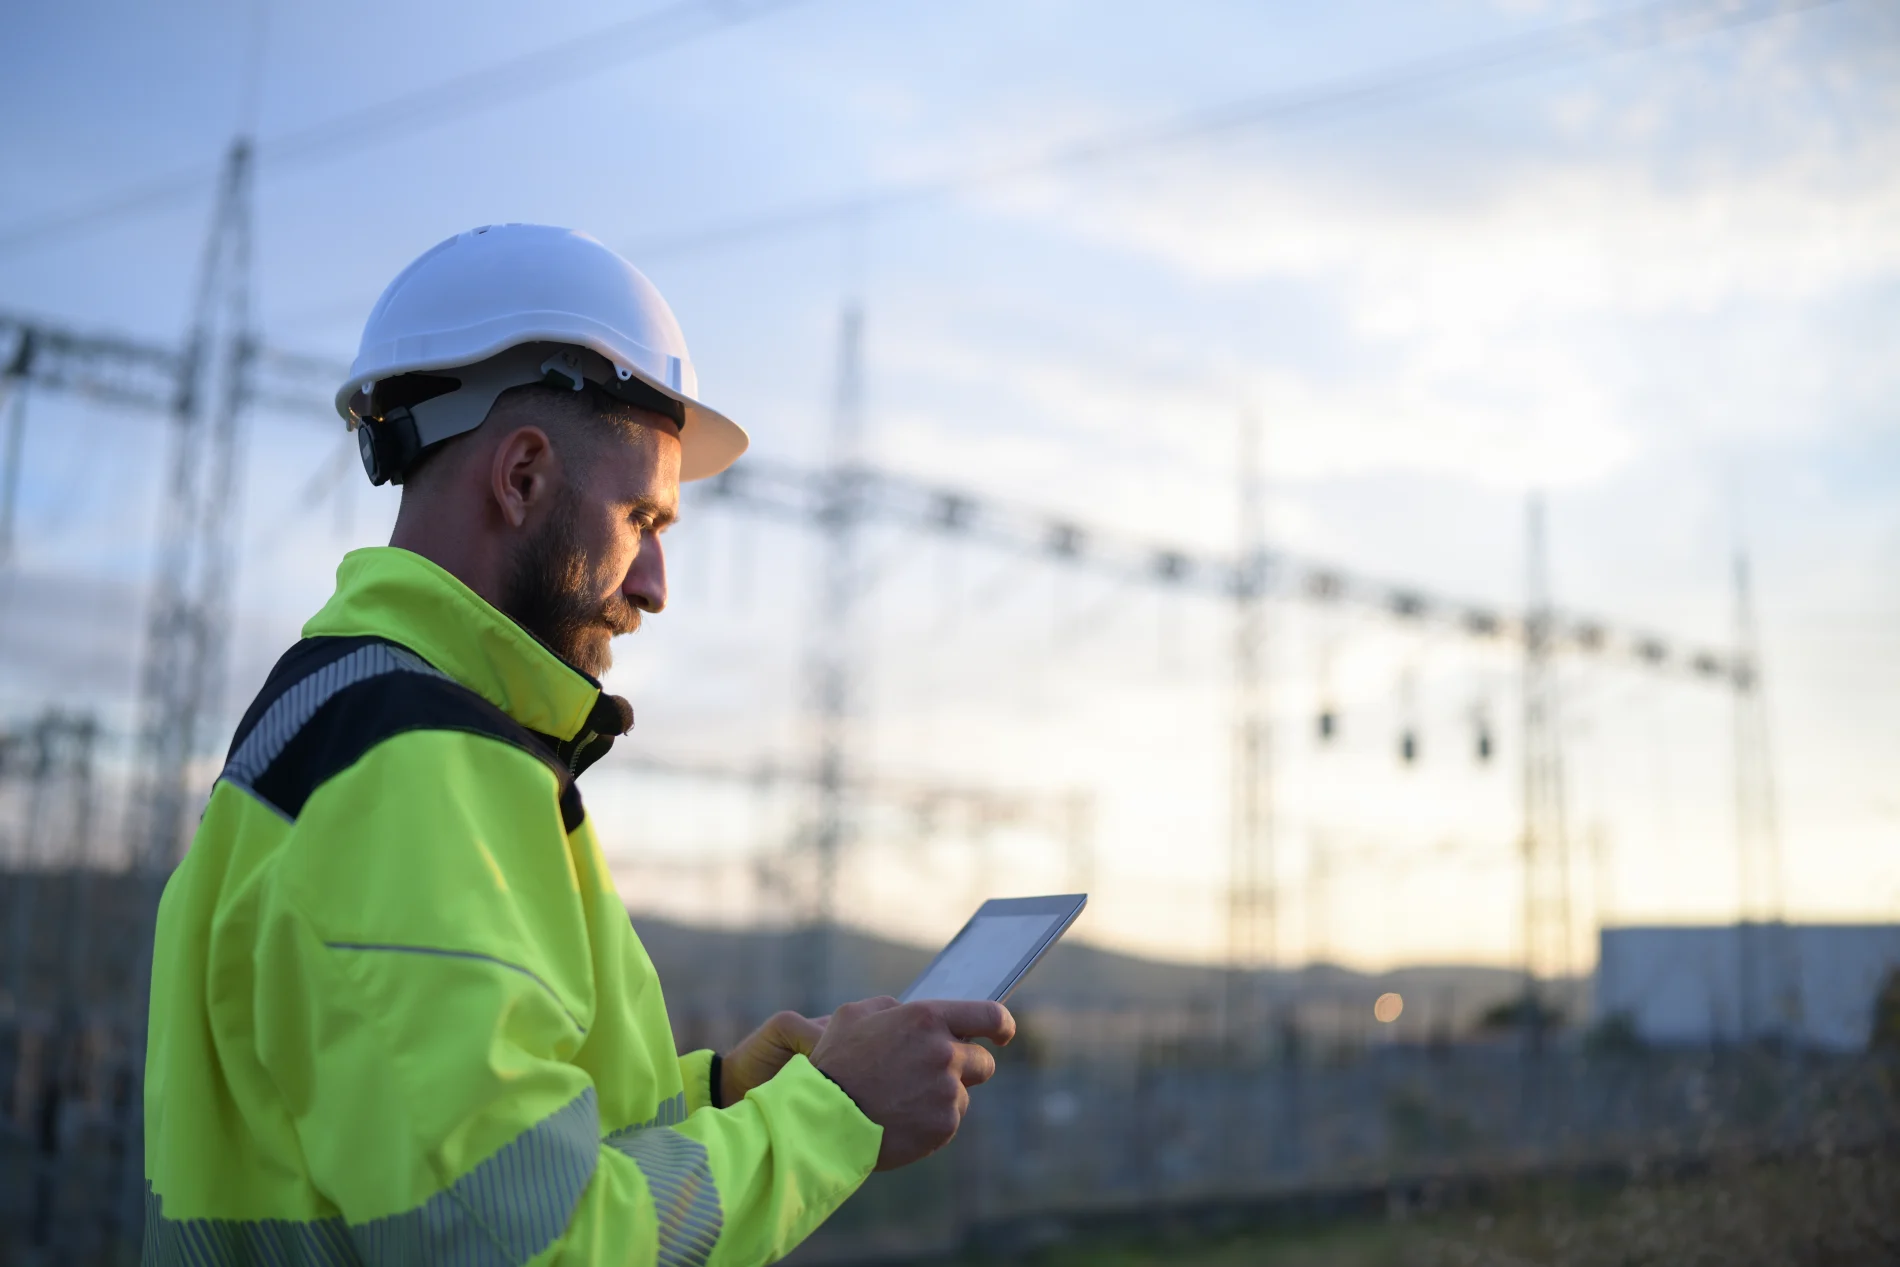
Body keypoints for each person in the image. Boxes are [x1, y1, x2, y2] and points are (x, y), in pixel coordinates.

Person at [142, 224, 1015, 1266]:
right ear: (521, 477)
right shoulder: (415, 768)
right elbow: (532, 1244)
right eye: (642, 519)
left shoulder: (350, 719)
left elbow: (479, 1154)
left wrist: (725, 1096)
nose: (653, 585)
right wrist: (833, 1115)